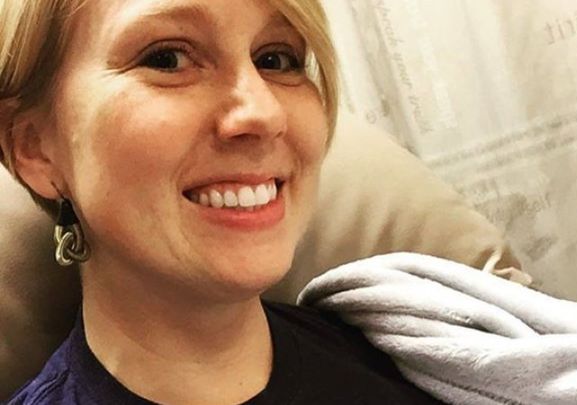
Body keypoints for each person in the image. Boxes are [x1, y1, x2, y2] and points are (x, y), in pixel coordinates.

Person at [0, 0, 445, 403]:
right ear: (34, 146)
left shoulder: (415, 357)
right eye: (167, 58)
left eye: (276, 59)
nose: (264, 113)